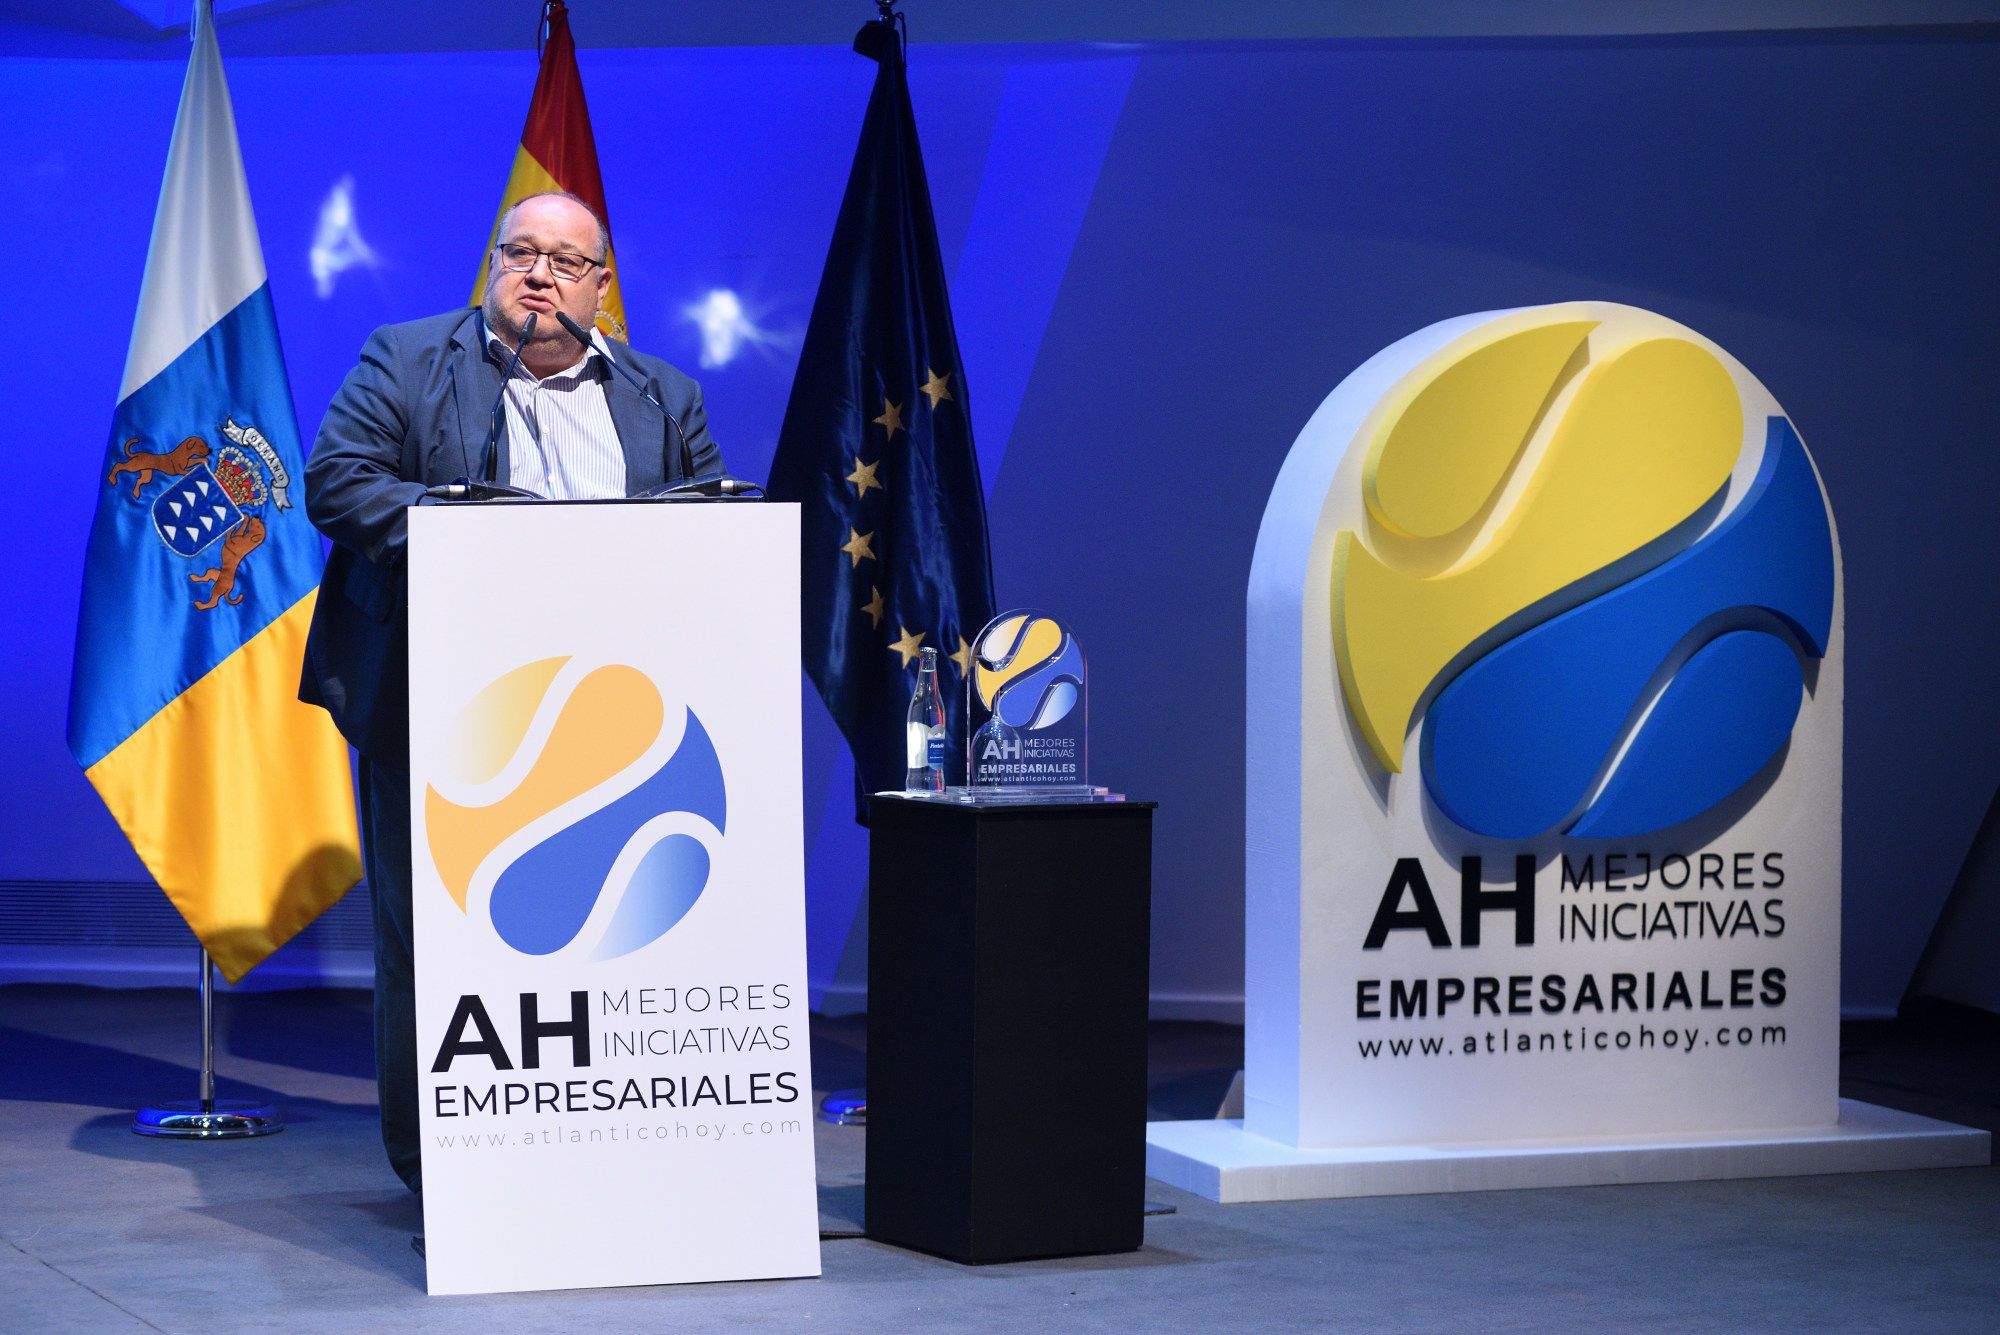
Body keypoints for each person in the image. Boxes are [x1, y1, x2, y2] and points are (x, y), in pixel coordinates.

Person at [299, 191, 723, 1191]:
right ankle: (441, 1168)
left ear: (600, 287)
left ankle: (599, 1151)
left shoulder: (662, 394)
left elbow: (712, 516)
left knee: (606, 932)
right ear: (493, 266)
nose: (536, 273)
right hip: (440, 708)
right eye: (518, 253)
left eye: (562, 261)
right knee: (433, 942)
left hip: (619, 725)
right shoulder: (407, 359)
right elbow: (338, 480)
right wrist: (469, 533)